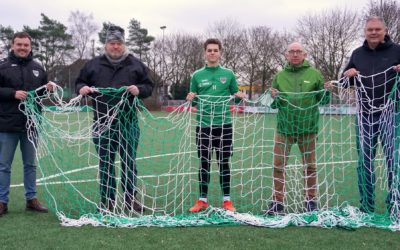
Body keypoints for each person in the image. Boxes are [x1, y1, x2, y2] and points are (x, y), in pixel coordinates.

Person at [75, 25, 154, 213]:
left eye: (119, 43)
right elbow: (79, 82)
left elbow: (149, 86)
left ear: (123, 44)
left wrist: (139, 90)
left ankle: (130, 200)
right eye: (112, 43)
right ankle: (107, 201)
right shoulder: (92, 65)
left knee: (129, 162)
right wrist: (82, 89)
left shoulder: (135, 64)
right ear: (106, 44)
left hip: (128, 122)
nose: (115, 47)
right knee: (106, 163)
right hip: (102, 122)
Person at [342, 16, 400, 216]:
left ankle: (396, 205)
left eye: (377, 29)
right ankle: (367, 206)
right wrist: (347, 75)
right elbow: (344, 82)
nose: (373, 32)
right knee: (365, 161)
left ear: (385, 31)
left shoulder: (397, 51)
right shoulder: (357, 54)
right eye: (369, 29)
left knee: (394, 161)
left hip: (392, 114)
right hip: (365, 115)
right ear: (365, 32)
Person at [266, 42, 331, 215]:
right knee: (278, 165)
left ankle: (310, 201)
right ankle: (277, 202)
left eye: (298, 52)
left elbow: (323, 101)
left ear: (305, 54)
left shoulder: (315, 74)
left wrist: (327, 92)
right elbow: (274, 104)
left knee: (310, 166)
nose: (295, 54)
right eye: (291, 52)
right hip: (284, 128)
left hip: (307, 128)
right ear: (286, 55)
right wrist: (272, 97)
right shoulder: (279, 76)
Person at [186, 38, 245, 213]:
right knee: (204, 162)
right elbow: (194, 103)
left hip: (224, 125)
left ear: (220, 53)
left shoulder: (228, 74)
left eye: (215, 50)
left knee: (223, 162)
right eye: (209, 50)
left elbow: (235, 95)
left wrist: (239, 96)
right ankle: (202, 199)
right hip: (204, 126)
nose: (212, 53)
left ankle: (227, 200)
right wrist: (191, 98)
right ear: (205, 53)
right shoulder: (197, 75)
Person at [0, 32, 53, 216]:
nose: (22, 48)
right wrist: (12, 93)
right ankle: (2, 201)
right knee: (3, 165)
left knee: (30, 164)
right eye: (19, 44)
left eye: (26, 45)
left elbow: (42, 95)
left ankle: (31, 199)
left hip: (31, 125)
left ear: (30, 47)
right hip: (7, 124)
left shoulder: (38, 68)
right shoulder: (3, 67)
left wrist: (48, 90)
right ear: (12, 45)